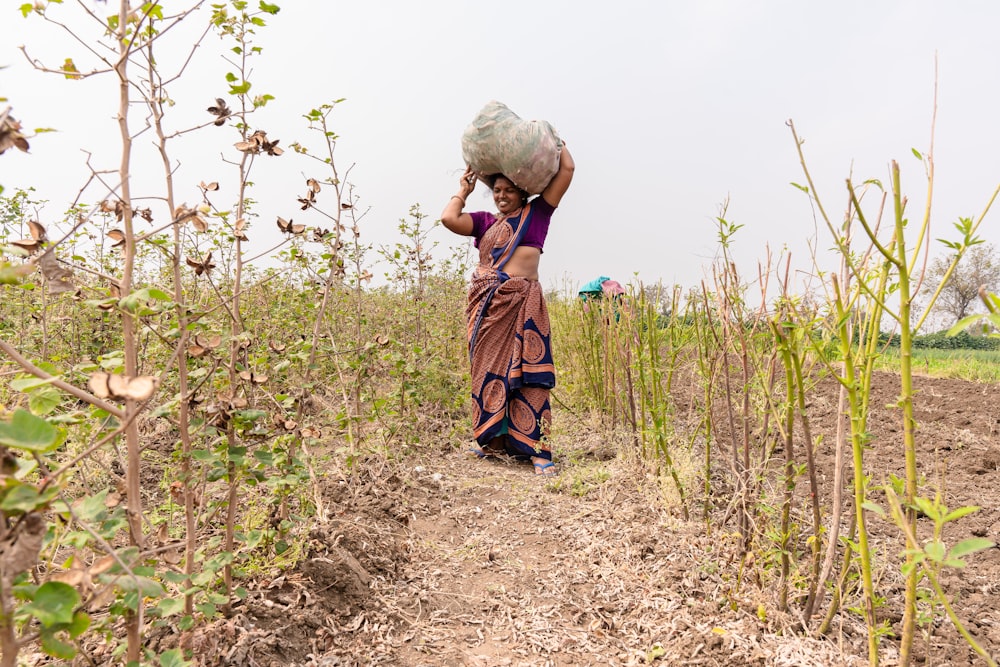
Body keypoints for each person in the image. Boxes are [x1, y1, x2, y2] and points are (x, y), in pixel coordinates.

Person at [441, 145, 575, 476]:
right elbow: (448, 219)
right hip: (488, 310)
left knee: (530, 377)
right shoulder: (486, 222)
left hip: (524, 307)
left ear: (521, 192)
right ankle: (495, 441)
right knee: (487, 374)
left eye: (508, 190)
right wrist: (464, 190)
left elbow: (567, 170)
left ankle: (538, 451)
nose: (501, 196)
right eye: (497, 190)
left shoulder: (538, 214)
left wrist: (557, 141)